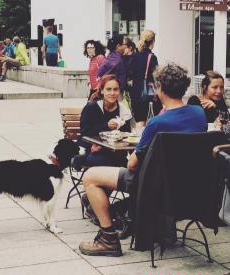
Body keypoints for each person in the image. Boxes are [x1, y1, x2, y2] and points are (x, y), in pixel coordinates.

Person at [79, 62, 208, 257]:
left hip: (153, 183)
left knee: (90, 177)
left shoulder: (157, 123)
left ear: (160, 88)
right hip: (186, 184)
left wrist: (132, 155)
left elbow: (132, 165)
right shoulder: (199, 113)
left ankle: (108, 239)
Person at [78, 74, 132, 168]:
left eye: (116, 89)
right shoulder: (92, 108)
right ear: (102, 90)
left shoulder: (124, 111)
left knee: (132, 165)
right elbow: (85, 131)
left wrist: (122, 129)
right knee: (118, 165)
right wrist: (106, 126)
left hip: (115, 153)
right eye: (108, 89)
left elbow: (127, 135)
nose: (112, 93)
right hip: (92, 151)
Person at [129, 30, 162, 127]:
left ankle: (141, 141)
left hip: (135, 94)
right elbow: (156, 76)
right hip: (149, 94)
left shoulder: (134, 56)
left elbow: (130, 74)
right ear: (153, 42)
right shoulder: (152, 57)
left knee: (139, 122)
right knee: (153, 121)